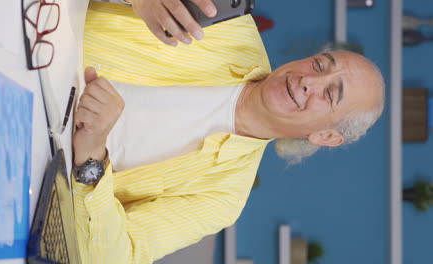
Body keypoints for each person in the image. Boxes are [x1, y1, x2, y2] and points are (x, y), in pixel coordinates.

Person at [71, 1, 385, 263]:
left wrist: (92, 156)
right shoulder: (226, 22)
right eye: (319, 65)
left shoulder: (223, 199)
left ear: (325, 136)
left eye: (329, 94)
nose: (309, 82)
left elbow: (112, 255)